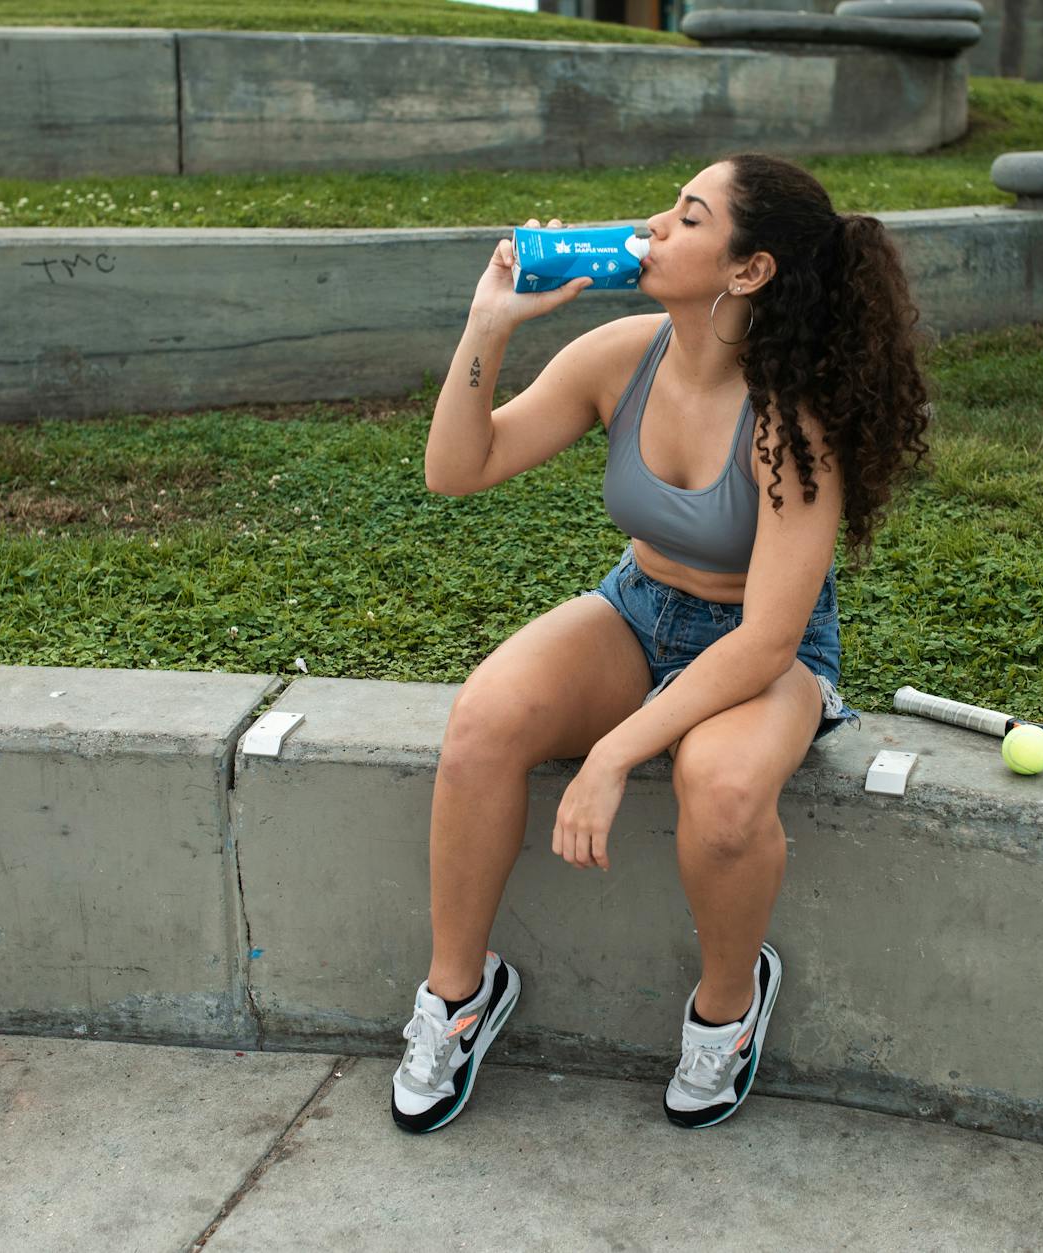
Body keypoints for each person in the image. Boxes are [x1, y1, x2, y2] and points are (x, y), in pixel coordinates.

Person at [392, 153, 932, 1133]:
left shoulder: (789, 420)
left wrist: (615, 747)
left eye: (687, 217)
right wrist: (488, 324)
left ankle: (725, 1010)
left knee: (720, 793)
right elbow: (454, 468)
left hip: (764, 653)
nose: (651, 226)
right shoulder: (618, 355)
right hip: (642, 608)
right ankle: (457, 995)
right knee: (482, 721)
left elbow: (766, 639)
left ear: (746, 270)